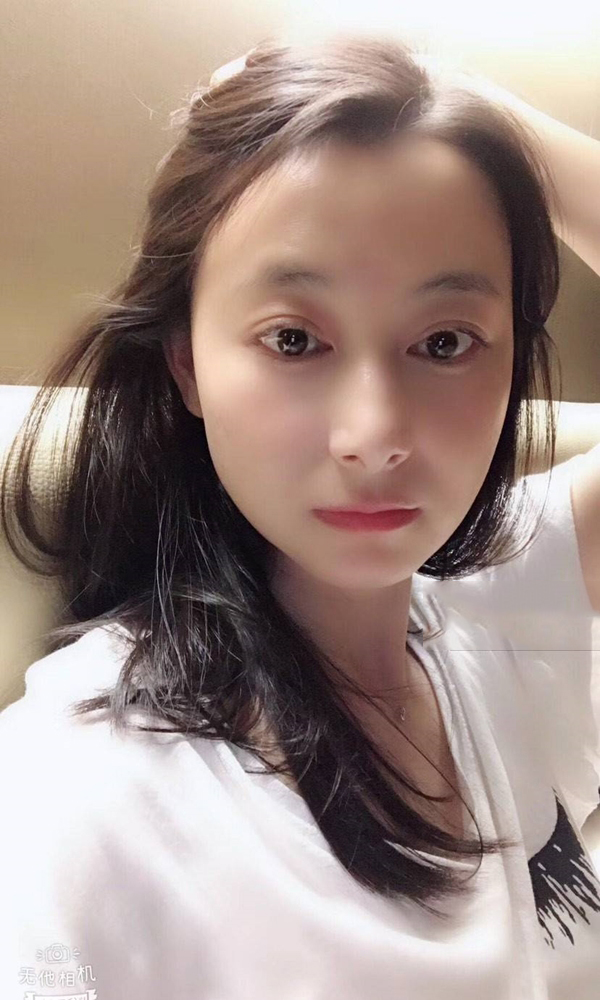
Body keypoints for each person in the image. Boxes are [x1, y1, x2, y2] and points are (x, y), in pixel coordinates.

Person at [0, 33, 599, 1000]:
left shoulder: (510, 615)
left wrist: (474, 110)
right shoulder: (71, 793)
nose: (374, 435)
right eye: (293, 340)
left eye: (446, 342)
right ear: (188, 364)